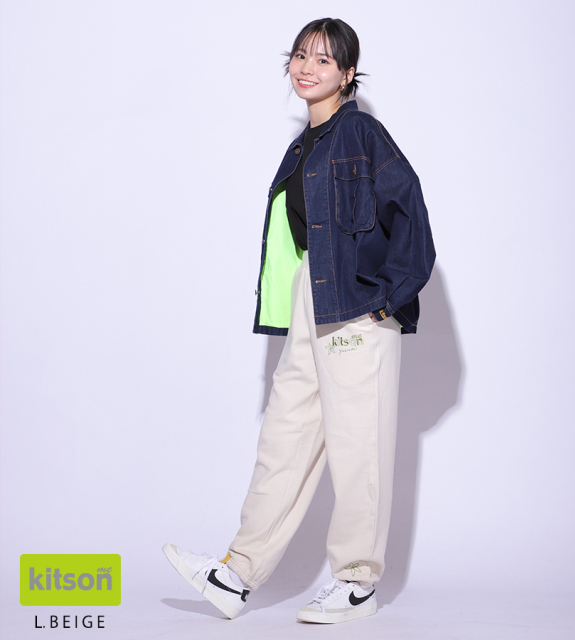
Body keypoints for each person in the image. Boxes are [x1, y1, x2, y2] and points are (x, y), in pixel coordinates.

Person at [163, 17, 436, 624]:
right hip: (312, 301)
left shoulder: (361, 132)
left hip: (356, 308)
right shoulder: (302, 146)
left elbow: (412, 212)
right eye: (300, 55)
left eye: (324, 59)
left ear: (348, 73)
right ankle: (237, 574)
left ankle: (357, 583)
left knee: (358, 446)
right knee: (284, 438)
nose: (307, 67)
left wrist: (384, 299)